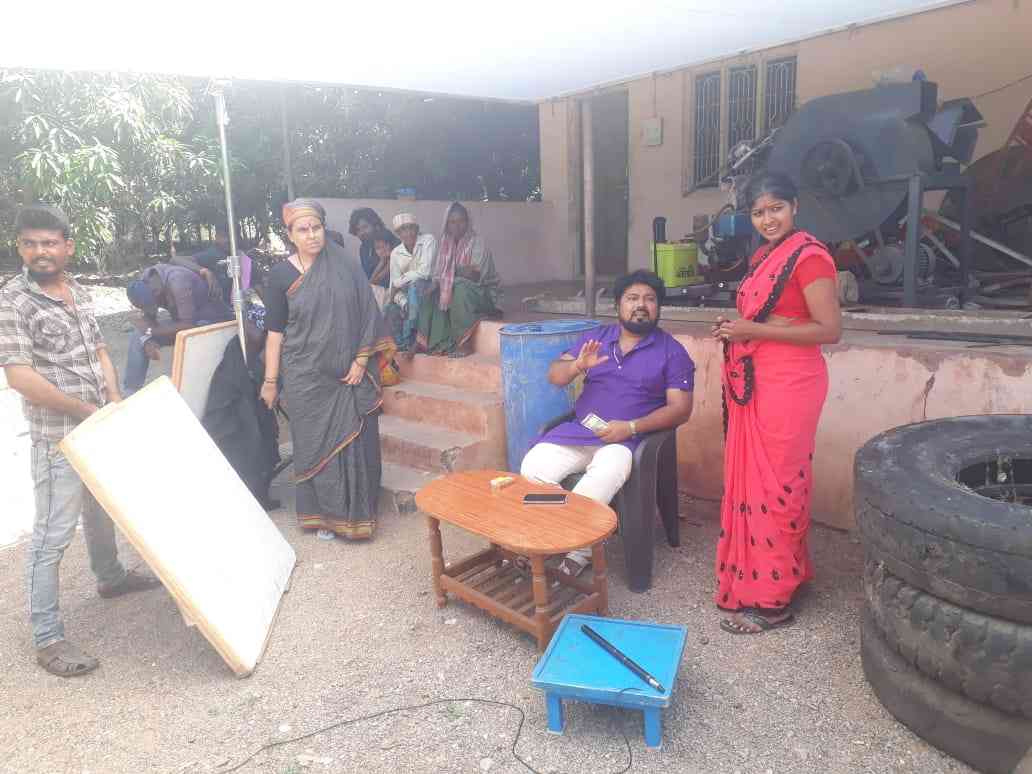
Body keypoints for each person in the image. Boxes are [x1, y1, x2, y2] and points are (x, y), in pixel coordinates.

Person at [0, 204, 161, 678]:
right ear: (19, 247)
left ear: (67, 247)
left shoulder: (79, 292)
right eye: (30, 243)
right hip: (58, 438)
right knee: (51, 536)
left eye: (50, 243)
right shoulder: (13, 301)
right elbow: (19, 377)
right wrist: (87, 411)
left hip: (95, 426)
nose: (40, 251)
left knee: (100, 510)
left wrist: (113, 400)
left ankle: (110, 577)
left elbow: (99, 352)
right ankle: (48, 638)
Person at [711, 171, 841, 635]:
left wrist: (753, 330)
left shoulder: (810, 256)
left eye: (776, 208)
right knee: (757, 485)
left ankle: (772, 603)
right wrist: (738, 330)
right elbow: (773, 318)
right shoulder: (766, 255)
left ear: (795, 206)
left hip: (791, 383)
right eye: (758, 212)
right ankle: (785, 576)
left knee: (778, 485)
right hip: (759, 377)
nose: (768, 219)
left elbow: (829, 330)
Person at [520, 270, 695, 577]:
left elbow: (681, 410)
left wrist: (631, 427)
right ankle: (562, 531)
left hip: (626, 440)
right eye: (632, 298)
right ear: (618, 305)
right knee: (532, 468)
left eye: (649, 299)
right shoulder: (597, 339)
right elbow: (555, 376)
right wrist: (577, 365)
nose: (640, 305)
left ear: (658, 307)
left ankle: (578, 552)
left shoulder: (672, 352)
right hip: (579, 432)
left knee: (605, 474)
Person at [261, 199, 395, 540]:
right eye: (303, 230)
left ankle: (356, 511)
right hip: (305, 375)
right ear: (290, 235)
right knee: (313, 444)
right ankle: (324, 516)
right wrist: (270, 381)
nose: (311, 235)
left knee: (356, 441)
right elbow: (275, 333)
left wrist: (361, 360)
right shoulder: (280, 276)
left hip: (349, 373)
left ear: (324, 228)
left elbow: (367, 312)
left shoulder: (344, 265)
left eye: (316, 228)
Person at [202, 300, 281, 510]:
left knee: (263, 433)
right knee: (250, 438)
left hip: (251, 397)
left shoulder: (258, 345)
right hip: (233, 409)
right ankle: (253, 497)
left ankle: (260, 493)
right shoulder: (238, 352)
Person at [123, 263, 233, 395]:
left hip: (212, 322)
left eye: (152, 305)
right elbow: (149, 316)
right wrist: (147, 339)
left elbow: (188, 325)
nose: (151, 309)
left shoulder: (178, 281)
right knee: (138, 336)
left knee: (189, 337)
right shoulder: (146, 281)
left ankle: (194, 390)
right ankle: (131, 392)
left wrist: (151, 331)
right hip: (185, 323)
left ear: (156, 292)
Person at [416, 202, 501, 357]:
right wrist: (439, 282)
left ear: (468, 222)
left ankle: (464, 343)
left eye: (461, 221)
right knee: (433, 290)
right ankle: (437, 343)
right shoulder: (444, 244)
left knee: (457, 286)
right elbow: (439, 274)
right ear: (447, 225)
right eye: (452, 222)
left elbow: (474, 275)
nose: (457, 226)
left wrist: (448, 275)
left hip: (485, 294)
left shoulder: (477, 242)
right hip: (460, 288)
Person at [386, 213, 435, 350]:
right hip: (408, 296)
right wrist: (404, 303)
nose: (408, 233)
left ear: (417, 229)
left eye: (411, 228)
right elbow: (392, 289)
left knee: (415, 288)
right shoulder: (396, 253)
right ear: (398, 234)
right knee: (389, 310)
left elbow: (425, 272)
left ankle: (411, 340)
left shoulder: (428, 240)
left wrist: (399, 282)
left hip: (429, 289)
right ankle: (401, 346)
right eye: (403, 230)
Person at [171, 229, 231, 304]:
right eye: (224, 236)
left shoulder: (234, 253)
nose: (228, 240)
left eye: (231, 236)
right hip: (218, 305)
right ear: (217, 238)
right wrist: (205, 271)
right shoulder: (213, 254)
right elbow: (175, 259)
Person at [348, 207, 393, 283]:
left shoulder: (387, 239)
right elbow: (367, 275)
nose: (362, 233)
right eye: (358, 230)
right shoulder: (363, 248)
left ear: (375, 225)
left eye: (365, 227)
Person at [368, 227, 398, 310]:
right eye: (378, 248)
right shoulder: (383, 260)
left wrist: (383, 262)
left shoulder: (395, 258)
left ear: (391, 245)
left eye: (385, 245)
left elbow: (376, 280)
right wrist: (381, 262)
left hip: (396, 293)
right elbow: (371, 282)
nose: (382, 250)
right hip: (388, 292)